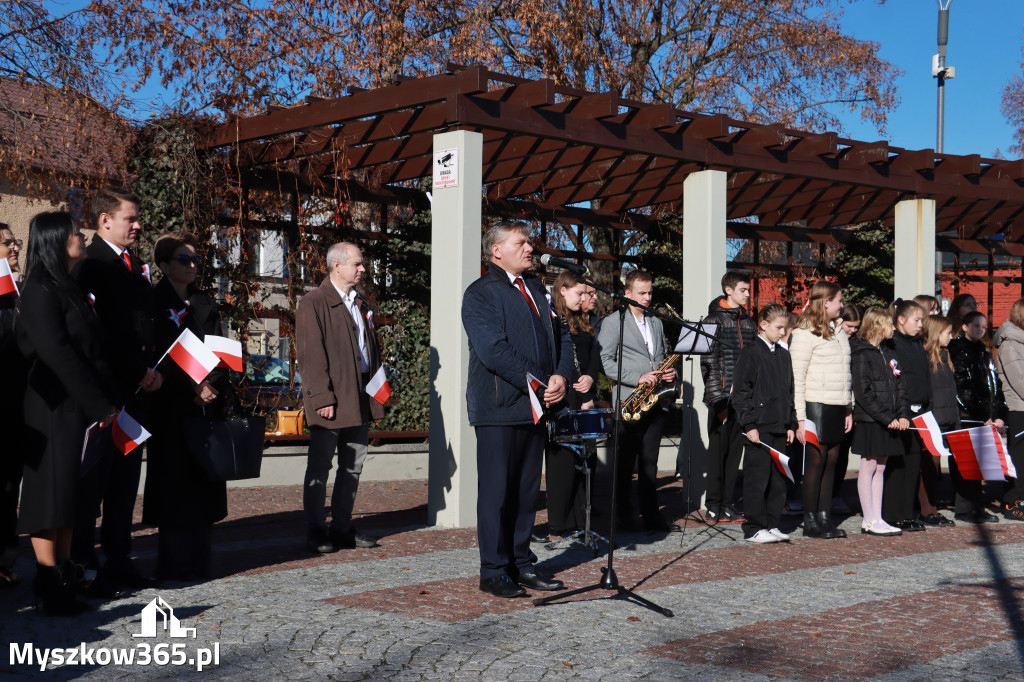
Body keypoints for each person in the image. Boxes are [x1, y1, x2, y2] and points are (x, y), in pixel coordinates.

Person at [462, 221, 572, 598]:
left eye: (529, 242)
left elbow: (562, 335)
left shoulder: (537, 289)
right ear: (496, 251)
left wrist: (561, 375)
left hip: (536, 407)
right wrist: (540, 383)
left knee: (526, 494)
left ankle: (521, 564)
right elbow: (493, 350)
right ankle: (493, 571)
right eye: (521, 243)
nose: (530, 248)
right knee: (497, 494)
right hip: (498, 408)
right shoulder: (480, 293)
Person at [18, 211, 120, 614]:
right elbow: (56, 352)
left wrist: (106, 399)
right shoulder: (39, 289)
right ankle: (48, 582)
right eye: (76, 232)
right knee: (50, 494)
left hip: (74, 406)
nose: (83, 236)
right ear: (57, 240)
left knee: (68, 496)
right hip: (50, 406)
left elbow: (92, 351)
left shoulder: (68, 286)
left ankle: (64, 577)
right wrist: (97, 403)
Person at [72, 187, 162, 591]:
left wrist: (153, 370)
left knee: (125, 482)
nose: (138, 225)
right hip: (107, 391)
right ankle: (84, 562)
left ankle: (119, 558)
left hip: (136, 393)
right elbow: (98, 330)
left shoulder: (134, 265)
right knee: (94, 482)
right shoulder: (91, 264)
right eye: (131, 218)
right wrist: (138, 369)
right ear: (105, 220)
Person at [142, 232, 229, 580]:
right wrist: (192, 386)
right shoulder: (152, 302)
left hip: (205, 406)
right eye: (183, 259)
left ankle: (199, 562)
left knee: (203, 482)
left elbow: (222, 351)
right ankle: (172, 564)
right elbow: (155, 353)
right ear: (164, 265)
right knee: (172, 484)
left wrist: (212, 385)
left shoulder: (205, 302)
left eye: (195, 259)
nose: (192, 265)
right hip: (170, 406)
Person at [297, 242, 384, 554]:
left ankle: (342, 526)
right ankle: (316, 529)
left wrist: (378, 391)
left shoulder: (359, 302)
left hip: (360, 395)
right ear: (337, 265)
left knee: (353, 465)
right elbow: (310, 355)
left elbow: (369, 350)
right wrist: (322, 397)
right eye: (357, 264)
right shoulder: (314, 302)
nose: (362, 269)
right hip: (331, 398)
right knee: (320, 467)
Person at [599, 269, 679, 532]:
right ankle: (624, 517)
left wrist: (669, 372)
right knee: (624, 465)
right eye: (642, 293)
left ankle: (651, 516)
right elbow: (605, 362)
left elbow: (660, 355)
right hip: (629, 402)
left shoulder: (655, 322)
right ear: (627, 293)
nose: (647, 298)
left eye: (650, 293)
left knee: (650, 464)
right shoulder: (614, 322)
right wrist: (637, 378)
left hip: (654, 401)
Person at [790, 281, 852, 539]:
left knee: (832, 461)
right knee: (816, 460)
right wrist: (800, 418)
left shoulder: (838, 330)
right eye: (839, 300)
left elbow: (846, 371)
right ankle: (810, 519)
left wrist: (849, 407)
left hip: (838, 404)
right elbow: (797, 377)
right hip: (816, 404)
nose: (842, 305)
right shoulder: (804, 332)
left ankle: (825, 516)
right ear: (826, 302)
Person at [732, 304, 796, 543]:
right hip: (759, 426)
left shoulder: (784, 355)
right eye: (778, 327)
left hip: (780, 424)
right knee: (757, 479)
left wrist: (791, 423)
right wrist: (749, 425)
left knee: (778, 480)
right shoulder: (750, 353)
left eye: (785, 328)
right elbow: (741, 393)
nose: (782, 332)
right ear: (763, 325)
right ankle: (754, 528)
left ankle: (772, 523)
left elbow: (789, 392)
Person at [546, 271, 602, 536]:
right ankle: (560, 522)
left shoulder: (582, 319)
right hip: (564, 394)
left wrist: (590, 378)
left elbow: (594, 353)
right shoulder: (553, 318)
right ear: (563, 290)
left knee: (586, 458)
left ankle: (582, 519)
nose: (584, 298)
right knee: (563, 461)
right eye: (579, 293)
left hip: (583, 392)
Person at [700, 270, 757, 522]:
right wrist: (718, 401)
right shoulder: (713, 320)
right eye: (743, 290)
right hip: (722, 398)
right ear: (729, 290)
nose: (747, 295)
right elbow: (708, 363)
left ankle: (727, 503)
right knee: (718, 453)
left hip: (742, 400)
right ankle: (713, 504)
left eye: (748, 290)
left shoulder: (749, 322)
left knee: (735, 454)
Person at [850, 308, 907, 537]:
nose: (893, 328)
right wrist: (887, 418)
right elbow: (863, 393)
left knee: (881, 467)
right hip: (871, 420)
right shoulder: (862, 353)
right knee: (869, 465)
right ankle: (869, 519)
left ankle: (878, 517)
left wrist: (902, 415)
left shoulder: (888, 351)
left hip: (890, 420)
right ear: (877, 326)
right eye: (889, 324)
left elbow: (900, 385)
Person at [949, 310, 1005, 523]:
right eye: (976, 326)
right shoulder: (959, 349)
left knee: (979, 465)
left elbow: (994, 384)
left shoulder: (983, 350)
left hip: (983, 417)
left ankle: (976, 506)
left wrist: (998, 413)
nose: (981, 330)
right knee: (967, 464)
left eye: (983, 326)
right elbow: (963, 387)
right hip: (967, 416)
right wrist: (982, 414)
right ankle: (966, 509)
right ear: (964, 326)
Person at [882, 300, 930, 532]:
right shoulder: (893, 343)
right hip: (902, 411)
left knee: (913, 462)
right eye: (916, 320)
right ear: (900, 320)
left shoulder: (917, 342)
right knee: (898, 463)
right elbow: (898, 379)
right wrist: (901, 410)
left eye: (922, 320)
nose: (920, 325)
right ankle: (893, 513)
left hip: (920, 411)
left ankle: (907, 512)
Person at [0, 224, 24, 588]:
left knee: (8, 490)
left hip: (18, 406)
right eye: (6, 243)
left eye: (14, 242)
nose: (15, 247)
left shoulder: (20, 290)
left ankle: (5, 561)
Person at [921, 315, 959, 525]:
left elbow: (950, 392)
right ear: (936, 333)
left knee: (934, 467)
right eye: (947, 333)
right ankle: (928, 510)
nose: (951, 337)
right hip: (931, 420)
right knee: (930, 466)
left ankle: (931, 508)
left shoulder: (945, 356)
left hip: (945, 419)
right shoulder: (926, 358)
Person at [993, 300, 1024, 520]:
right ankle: (1013, 503)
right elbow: (1019, 381)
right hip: (1019, 408)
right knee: (1019, 459)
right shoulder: (1010, 344)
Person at [833, 303, 863, 515]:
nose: (852, 330)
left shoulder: (856, 344)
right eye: (849, 326)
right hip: (836, 401)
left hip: (851, 405)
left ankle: (835, 493)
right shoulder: (834, 340)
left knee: (843, 453)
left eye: (856, 327)